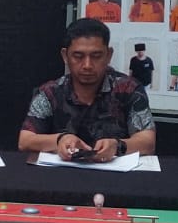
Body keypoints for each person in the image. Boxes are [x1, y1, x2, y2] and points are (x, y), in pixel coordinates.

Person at [18, 18, 156, 161]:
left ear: (108, 55)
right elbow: (25, 140)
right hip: (62, 172)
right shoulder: (50, 92)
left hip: (113, 171)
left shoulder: (129, 89)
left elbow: (148, 141)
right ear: (65, 56)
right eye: (78, 56)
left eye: (96, 56)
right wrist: (60, 140)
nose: (87, 65)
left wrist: (118, 145)